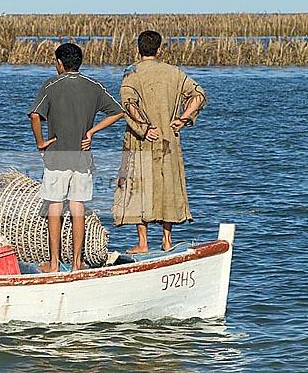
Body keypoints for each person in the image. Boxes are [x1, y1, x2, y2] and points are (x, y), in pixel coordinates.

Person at [29, 43, 124, 272]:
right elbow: (118, 112)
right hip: (82, 157)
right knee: (77, 208)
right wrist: (91, 132)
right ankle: (76, 263)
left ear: (60, 64)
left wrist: (40, 143)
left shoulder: (51, 85)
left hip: (57, 157)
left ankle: (53, 264)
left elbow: (34, 115)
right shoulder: (93, 86)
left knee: (55, 207)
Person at [112, 30, 206, 254]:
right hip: (168, 140)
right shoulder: (174, 73)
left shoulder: (131, 74)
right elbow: (199, 95)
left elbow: (128, 104)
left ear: (138, 49)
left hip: (140, 142)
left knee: (138, 188)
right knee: (169, 186)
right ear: (159, 49)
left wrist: (144, 128)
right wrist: (183, 119)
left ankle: (143, 242)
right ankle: (167, 240)